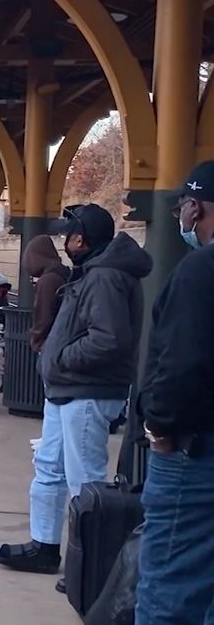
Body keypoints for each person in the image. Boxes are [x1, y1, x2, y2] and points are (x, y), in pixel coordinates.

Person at [0, 203, 152, 580]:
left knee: (85, 480)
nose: (65, 242)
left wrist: (61, 357)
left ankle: (89, 566)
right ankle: (44, 546)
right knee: (49, 467)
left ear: (82, 239)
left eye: (69, 235)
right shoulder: (92, 272)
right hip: (69, 389)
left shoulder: (105, 277)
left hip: (88, 391)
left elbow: (108, 339)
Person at [135, 161, 214, 624]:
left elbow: (181, 363)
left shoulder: (200, 270)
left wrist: (158, 428)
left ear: (195, 208)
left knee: (170, 587)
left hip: (194, 454)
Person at [22, 235, 69, 353]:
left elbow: (44, 316)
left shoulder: (48, 281)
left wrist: (37, 341)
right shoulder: (62, 273)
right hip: (64, 339)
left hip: (51, 344)